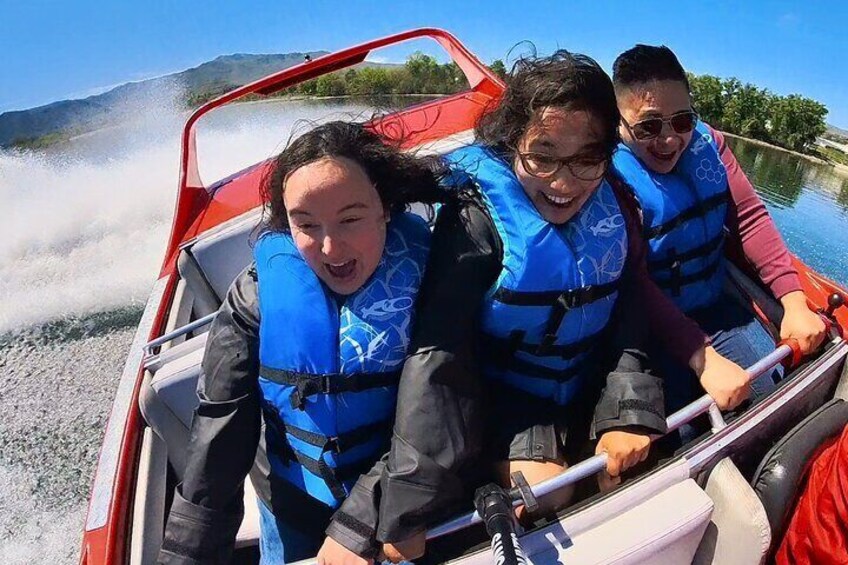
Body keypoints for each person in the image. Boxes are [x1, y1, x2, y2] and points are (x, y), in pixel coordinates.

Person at [363, 51, 739, 564]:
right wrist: (410, 508)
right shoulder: (476, 221)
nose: (564, 183)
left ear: (607, 155)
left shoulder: (611, 202)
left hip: (584, 376)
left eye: (587, 158)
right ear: (512, 144)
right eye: (542, 156)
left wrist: (625, 411)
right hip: (503, 394)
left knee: (626, 462)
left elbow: (626, 311)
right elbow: (439, 356)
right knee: (551, 489)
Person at [158, 120, 448, 564]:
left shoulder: (435, 277)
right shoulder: (256, 297)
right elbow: (220, 427)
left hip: (413, 496)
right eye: (307, 225)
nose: (331, 248)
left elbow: (445, 403)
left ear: (385, 207)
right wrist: (185, 556)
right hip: (293, 503)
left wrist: (364, 517)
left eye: (350, 219)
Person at [610, 45, 827, 415]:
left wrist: (793, 300)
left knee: (776, 392)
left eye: (682, 121)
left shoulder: (710, 145)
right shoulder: (606, 174)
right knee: (690, 425)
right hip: (647, 328)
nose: (669, 139)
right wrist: (702, 357)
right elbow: (633, 279)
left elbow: (750, 217)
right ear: (620, 120)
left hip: (716, 305)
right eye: (648, 126)